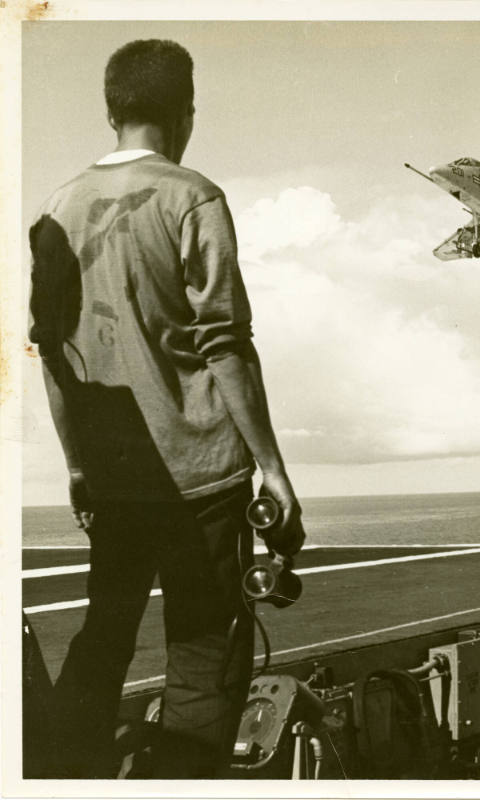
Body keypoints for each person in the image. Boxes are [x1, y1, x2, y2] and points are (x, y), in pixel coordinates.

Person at [28, 38, 304, 779]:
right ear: (185, 113)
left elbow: (54, 358)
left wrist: (79, 466)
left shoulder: (56, 206)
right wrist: (273, 471)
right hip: (202, 479)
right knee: (204, 648)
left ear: (111, 109)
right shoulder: (194, 197)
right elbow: (224, 345)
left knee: (103, 634)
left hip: (114, 480)